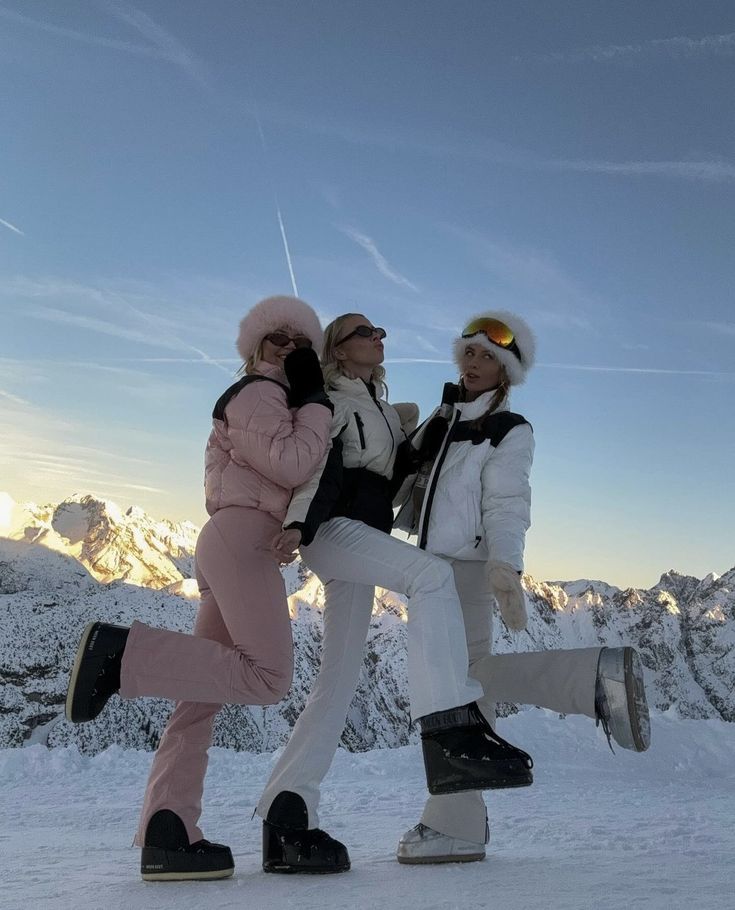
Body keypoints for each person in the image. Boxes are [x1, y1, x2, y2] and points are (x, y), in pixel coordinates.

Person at [64, 295, 334, 881]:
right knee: (269, 678)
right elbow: (290, 465)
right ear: (256, 351)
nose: (289, 349)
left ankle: (169, 831)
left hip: (230, 539)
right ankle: (122, 654)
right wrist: (316, 402)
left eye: (301, 344)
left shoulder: (271, 398)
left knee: (197, 701)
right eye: (277, 340)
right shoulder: (261, 394)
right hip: (244, 538)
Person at [256, 313, 534, 875]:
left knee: (337, 679)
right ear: (338, 348)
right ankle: (451, 735)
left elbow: (424, 479)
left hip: (365, 540)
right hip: (333, 530)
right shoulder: (328, 400)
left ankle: (286, 813)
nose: (379, 336)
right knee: (429, 577)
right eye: (365, 332)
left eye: (382, 331)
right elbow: (317, 467)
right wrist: (302, 523)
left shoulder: (387, 409)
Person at [393, 311, 651, 865]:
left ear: (507, 372)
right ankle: (459, 821)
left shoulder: (508, 430)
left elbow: (509, 502)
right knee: (467, 683)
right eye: (469, 353)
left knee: (451, 681)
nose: (475, 363)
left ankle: (590, 679)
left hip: (463, 568)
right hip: (428, 563)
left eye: (489, 357)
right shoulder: (443, 421)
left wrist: (505, 565)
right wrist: (400, 431)